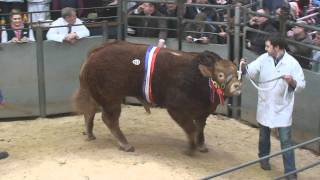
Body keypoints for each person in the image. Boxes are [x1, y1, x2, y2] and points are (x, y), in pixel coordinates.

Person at [243, 35, 305, 180]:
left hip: (282, 107)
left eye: (268, 46)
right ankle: (264, 159)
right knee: (264, 136)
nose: (266, 49)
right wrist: (243, 67)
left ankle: (290, 172)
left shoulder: (292, 63)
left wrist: (292, 81)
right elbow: (251, 72)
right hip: (265, 104)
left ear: (277, 47)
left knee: (285, 141)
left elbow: (301, 85)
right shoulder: (264, 58)